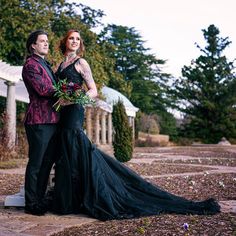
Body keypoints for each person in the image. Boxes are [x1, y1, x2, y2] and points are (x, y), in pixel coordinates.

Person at [52, 29, 220, 220]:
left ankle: (90, 195)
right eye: (71, 38)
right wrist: (61, 98)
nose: (74, 41)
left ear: (80, 44)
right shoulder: (59, 64)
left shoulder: (81, 63)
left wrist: (74, 99)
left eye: (77, 39)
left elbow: (93, 91)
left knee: (76, 146)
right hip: (61, 113)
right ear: (65, 41)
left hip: (74, 110)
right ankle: (70, 199)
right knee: (66, 151)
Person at [22, 30, 59, 216]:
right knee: (36, 163)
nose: (46, 44)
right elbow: (42, 89)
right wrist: (66, 91)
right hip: (38, 120)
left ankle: (40, 198)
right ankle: (31, 203)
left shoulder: (45, 64)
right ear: (33, 46)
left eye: (47, 41)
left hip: (52, 120)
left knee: (47, 162)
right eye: (42, 41)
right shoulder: (30, 65)